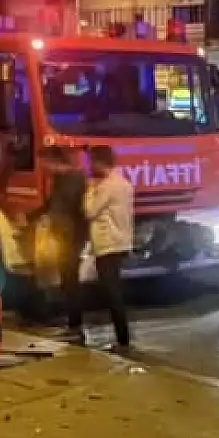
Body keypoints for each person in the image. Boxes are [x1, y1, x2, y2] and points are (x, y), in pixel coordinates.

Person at [31, 144, 89, 338]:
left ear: (54, 161)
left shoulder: (75, 179)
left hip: (72, 236)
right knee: (66, 281)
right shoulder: (60, 179)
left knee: (71, 282)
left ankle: (76, 326)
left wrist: (55, 221)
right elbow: (52, 203)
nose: (44, 168)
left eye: (44, 163)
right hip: (62, 235)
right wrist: (33, 216)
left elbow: (70, 207)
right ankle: (72, 324)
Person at [84, 145, 135, 351]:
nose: (89, 166)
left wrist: (90, 189)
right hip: (121, 241)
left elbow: (89, 211)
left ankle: (123, 340)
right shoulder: (124, 183)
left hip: (108, 243)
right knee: (115, 290)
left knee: (113, 293)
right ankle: (123, 338)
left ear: (99, 162)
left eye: (91, 162)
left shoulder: (106, 186)